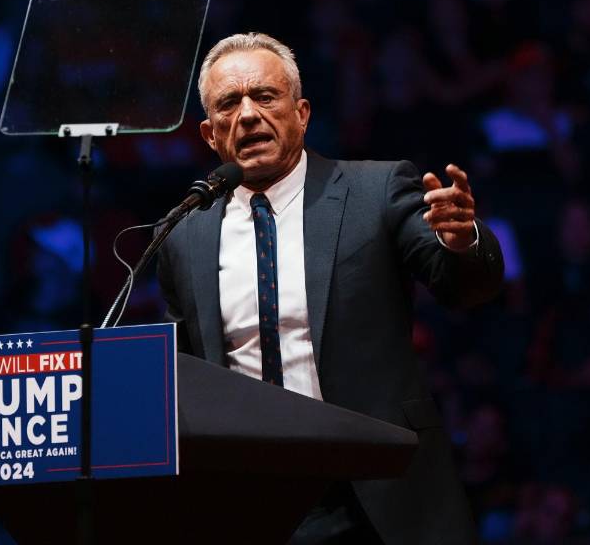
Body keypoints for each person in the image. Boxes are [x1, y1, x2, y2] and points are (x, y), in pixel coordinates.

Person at [156, 32, 505, 544]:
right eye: (229, 104)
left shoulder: (375, 191)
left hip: (375, 489)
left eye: (266, 97)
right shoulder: (183, 234)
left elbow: (463, 289)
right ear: (210, 134)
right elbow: (184, 373)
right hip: (251, 498)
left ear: (302, 112)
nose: (249, 115)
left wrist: (461, 241)